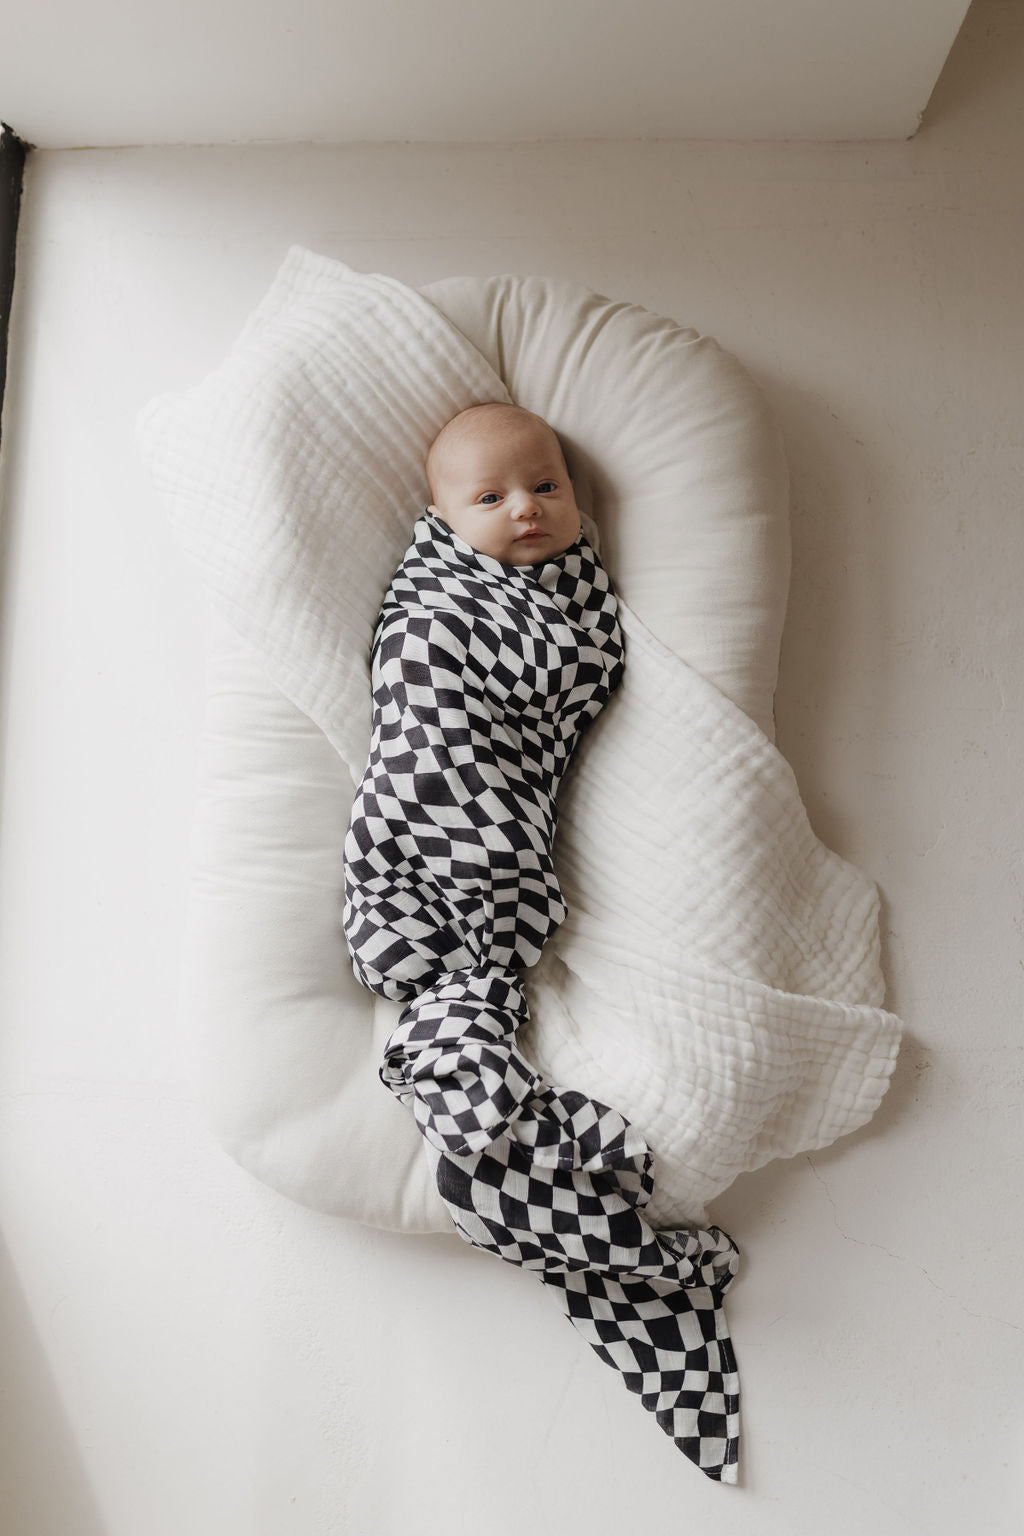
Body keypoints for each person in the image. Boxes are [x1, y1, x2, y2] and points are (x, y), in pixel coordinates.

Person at [424, 400, 582, 565]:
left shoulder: (586, 551)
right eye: (490, 498)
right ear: (443, 521)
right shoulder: (432, 572)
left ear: (571, 490)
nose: (526, 508)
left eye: (544, 488)